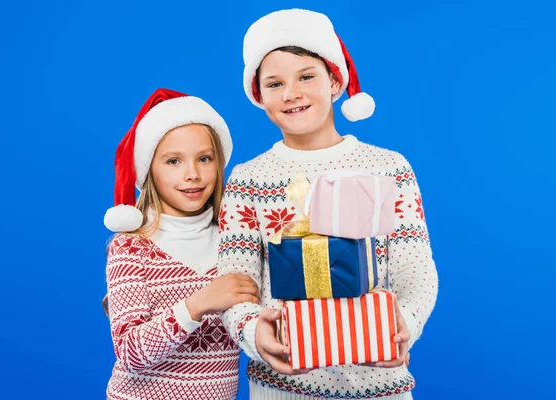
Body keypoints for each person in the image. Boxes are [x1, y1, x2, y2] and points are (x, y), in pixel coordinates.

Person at [217, 9, 438, 399]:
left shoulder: (388, 168)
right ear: (259, 95)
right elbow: (236, 282)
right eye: (274, 83)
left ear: (335, 81)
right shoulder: (247, 179)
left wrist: (405, 322)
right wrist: (253, 330)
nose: (291, 93)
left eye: (306, 76)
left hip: (380, 386)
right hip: (280, 387)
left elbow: (415, 269)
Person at [103, 88, 259, 400]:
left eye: (204, 158)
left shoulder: (236, 243)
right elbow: (130, 352)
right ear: (149, 170)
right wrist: (199, 304)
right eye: (174, 161)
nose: (192, 174)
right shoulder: (131, 248)